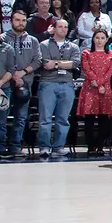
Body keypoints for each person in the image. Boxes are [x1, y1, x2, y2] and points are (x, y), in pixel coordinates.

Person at [34, 18, 79, 157]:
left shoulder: (73, 46)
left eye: (66, 27)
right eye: (60, 27)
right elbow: (46, 63)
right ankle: (44, 147)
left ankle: (58, 147)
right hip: (48, 83)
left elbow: (75, 63)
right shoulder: (43, 45)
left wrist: (56, 63)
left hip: (67, 84)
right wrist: (64, 63)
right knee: (45, 118)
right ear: (53, 28)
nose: (64, 29)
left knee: (63, 118)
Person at [1, 9, 39, 157]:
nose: (21, 23)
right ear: (11, 21)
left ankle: (15, 146)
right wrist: (11, 76)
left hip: (25, 83)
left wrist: (23, 73)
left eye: (23, 20)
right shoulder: (3, 38)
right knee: (1, 118)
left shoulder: (33, 40)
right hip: (4, 84)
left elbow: (38, 61)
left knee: (21, 118)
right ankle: (0, 146)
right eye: (17, 20)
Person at [74, 27, 112, 155]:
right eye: (97, 38)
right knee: (89, 120)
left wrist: (100, 84)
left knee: (104, 119)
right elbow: (86, 70)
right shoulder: (86, 53)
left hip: (106, 88)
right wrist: (97, 84)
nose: (99, 41)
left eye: (102, 38)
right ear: (93, 39)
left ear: (107, 40)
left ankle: (100, 146)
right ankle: (90, 146)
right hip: (90, 88)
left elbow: (110, 72)